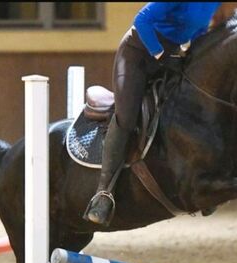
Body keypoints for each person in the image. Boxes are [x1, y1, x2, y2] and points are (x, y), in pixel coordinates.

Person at [84, 2, 222, 226]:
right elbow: (142, 20)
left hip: (171, 56)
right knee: (126, 117)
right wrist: (160, 54)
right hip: (138, 53)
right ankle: (103, 193)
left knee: (190, 110)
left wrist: (192, 56)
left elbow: (198, 31)